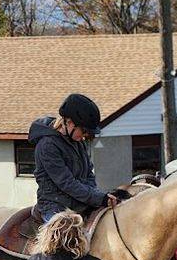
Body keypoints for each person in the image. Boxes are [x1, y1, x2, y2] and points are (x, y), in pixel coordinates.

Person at [29, 93, 121, 223]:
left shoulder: (78, 142)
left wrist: (96, 196)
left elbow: (89, 174)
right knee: (67, 238)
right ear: (69, 123)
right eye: (83, 131)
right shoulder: (47, 145)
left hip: (80, 202)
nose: (85, 136)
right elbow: (67, 183)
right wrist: (98, 198)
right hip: (55, 207)